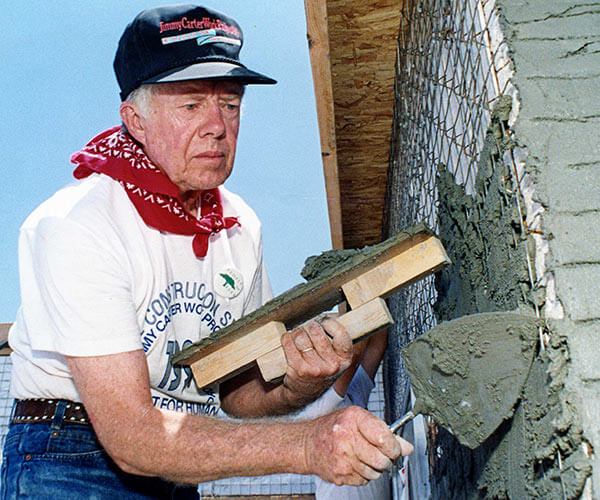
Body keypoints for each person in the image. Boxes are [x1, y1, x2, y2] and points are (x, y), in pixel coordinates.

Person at [1, 5, 412, 498]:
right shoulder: (78, 223)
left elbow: (238, 394)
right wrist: (307, 445)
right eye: (191, 105)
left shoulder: (240, 228)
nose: (217, 126)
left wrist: (302, 380)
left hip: (179, 458)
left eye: (231, 104)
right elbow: (132, 438)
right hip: (73, 457)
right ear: (136, 120)